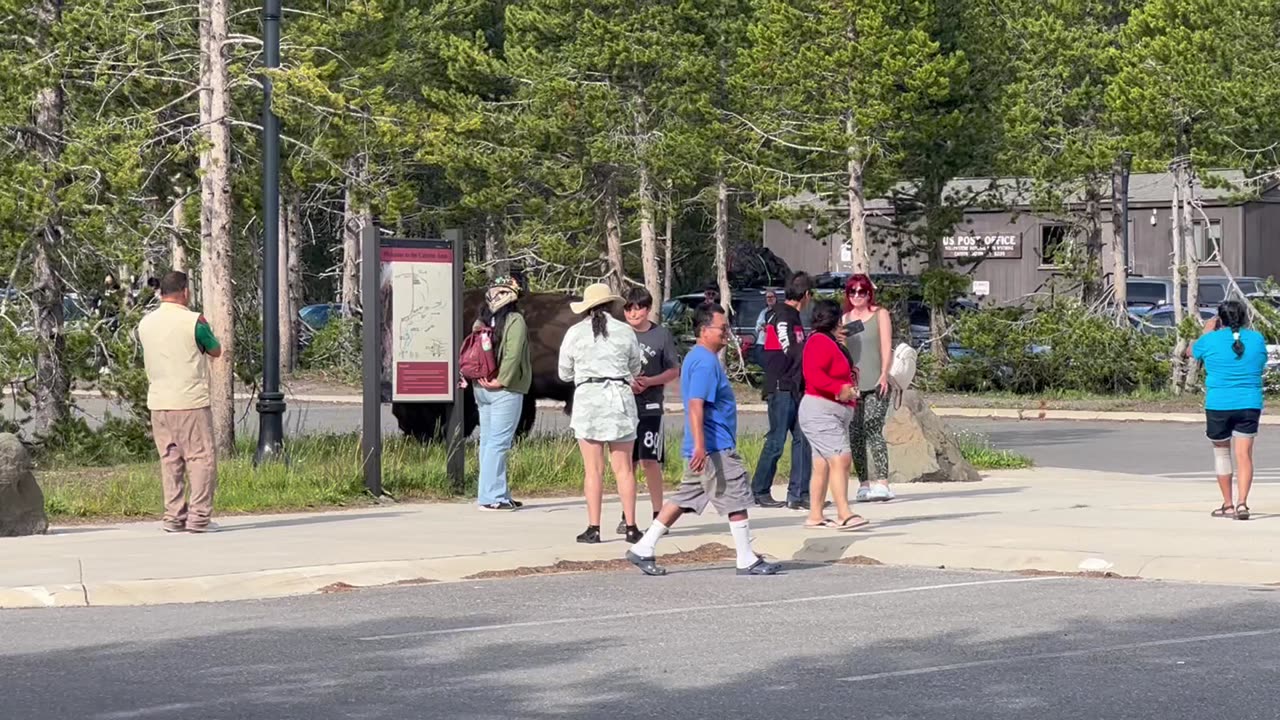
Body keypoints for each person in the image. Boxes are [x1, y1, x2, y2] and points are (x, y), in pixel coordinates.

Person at [626, 303, 782, 576]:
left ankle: (643, 548)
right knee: (736, 498)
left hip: (704, 446)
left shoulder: (699, 358)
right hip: (713, 447)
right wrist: (700, 445)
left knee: (683, 499)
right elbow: (696, 405)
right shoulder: (705, 362)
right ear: (704, 330)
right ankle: (746, 558)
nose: (726, 333)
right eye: (722, 328)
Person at [136, 271, 223, 533]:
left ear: (161, 292)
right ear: (185, 292)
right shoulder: (194, 321)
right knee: (200, 458)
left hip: (158, 402)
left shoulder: (145, 323)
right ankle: (199, 518)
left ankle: (173, 516)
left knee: (170, 459)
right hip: (189, 400)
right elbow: (215, 349)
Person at [558, 282, 645, 543]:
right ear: (610, 305)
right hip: (619, 398)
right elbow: (636, 367)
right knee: (624, 469)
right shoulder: (625, 331)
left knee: (592, 470)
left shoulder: (574, 333)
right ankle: (631, 526)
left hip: (589, 399)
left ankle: (594, 527)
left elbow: (564, 372)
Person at [798, 300, 870, 531]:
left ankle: (815, 515)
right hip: (821, 410)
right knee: (841, 458)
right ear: (834, 319)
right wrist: (838, 389)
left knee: (822, 464)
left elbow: (840, 369)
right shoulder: (818, 341)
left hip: (833, 410)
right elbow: (814, 375)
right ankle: (844, 513)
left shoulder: (832, 342)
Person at [1193, 299, 1267, 520]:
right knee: (1244, 454)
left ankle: (1227, 504)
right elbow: (1260, 362)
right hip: (1249, 402)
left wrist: (1206, 332)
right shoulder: (1256, 339)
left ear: (1220, 319)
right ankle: (1243, 503)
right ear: (1244, 317)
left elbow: (1191, 352)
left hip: (1219, 403)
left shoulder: (1210, 340)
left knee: (1222, 453)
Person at [617, 287, 680, 536]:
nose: (634, 313)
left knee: (649, 460)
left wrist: (651, 381)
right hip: (623, 406)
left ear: (647, 309)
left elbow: (673, 370)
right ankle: (627, 514)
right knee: (627, 463)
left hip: (651, 405)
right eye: (629, 308)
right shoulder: (618, 334)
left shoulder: (660, 335)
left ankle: (658, 514)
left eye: (639, 307)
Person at [752, 272, 814, 509]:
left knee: (802, 437)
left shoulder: (793, 316)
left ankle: (799, 493)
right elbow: (789, 349)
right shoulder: (782, 316)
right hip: (781, 386)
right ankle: (759, 489)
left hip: (796, 386)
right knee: (777, 439)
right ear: (806, 295)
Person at [474, 275, 531, 512]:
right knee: (498, 443)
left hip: (481, 387)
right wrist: (501, 380)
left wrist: (483, 378)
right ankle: (492, 497)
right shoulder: (515, 320)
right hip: (504, 389)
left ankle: (496, 492)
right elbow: (513, 353)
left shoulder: (482, 321)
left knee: (488, 442)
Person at [842, 273, 895, 502]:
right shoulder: (845, 319)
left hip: (876, 381)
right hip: (854, 385)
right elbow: (842, 353)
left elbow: (886, 346)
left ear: (868, 294)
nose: (857, 296)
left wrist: (884, 374)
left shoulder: (880, 315)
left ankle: (882, 482)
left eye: (861, 292)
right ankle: (863, 483)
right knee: (855, 434)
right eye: (852, 292)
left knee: (873, 427)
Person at [752, 289, 779, 367]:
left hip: (774, 345)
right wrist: (762, 327)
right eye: (767, 297)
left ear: (776, 298)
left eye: (771, 297)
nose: (770, 299)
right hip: (762, 343)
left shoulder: (779, 312)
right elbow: (757, 327)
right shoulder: (763, 312)